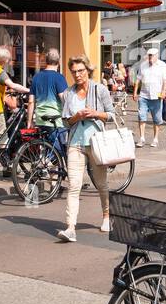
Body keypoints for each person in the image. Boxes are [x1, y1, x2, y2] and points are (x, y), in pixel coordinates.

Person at [56, 55, 114, 243]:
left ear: (88, 70)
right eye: (74, 72)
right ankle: (70, 228)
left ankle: (106, 216)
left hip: (96, 143)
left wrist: (96, 113)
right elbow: (65, 120)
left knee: (101, 184)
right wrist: (77, 117)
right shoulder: (68, 93)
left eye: (81, 71)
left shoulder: (100, 89)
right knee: (74, 186)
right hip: (75, 144)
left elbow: (112, 115)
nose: (77, 75)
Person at [133, 47, 166, 148]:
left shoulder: (162, 66)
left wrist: (163, 92)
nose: (150, 58)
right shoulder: (143, 65)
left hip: (156, 96)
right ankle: (142, 138)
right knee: (141, 116)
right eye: (149, 56)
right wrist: (135, 92)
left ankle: (155, 138)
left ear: (156, 56)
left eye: (152, 56)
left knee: (157, 119)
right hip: (144, 95)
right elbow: (138, 79)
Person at [29, 49, 68, 126]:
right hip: (55, 122)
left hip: (40, 120)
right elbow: (64, 99)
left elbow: (31, 102)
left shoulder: (36, 77)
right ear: (59, 61)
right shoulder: (59, 77)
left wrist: (29, 122)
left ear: (46, 61)